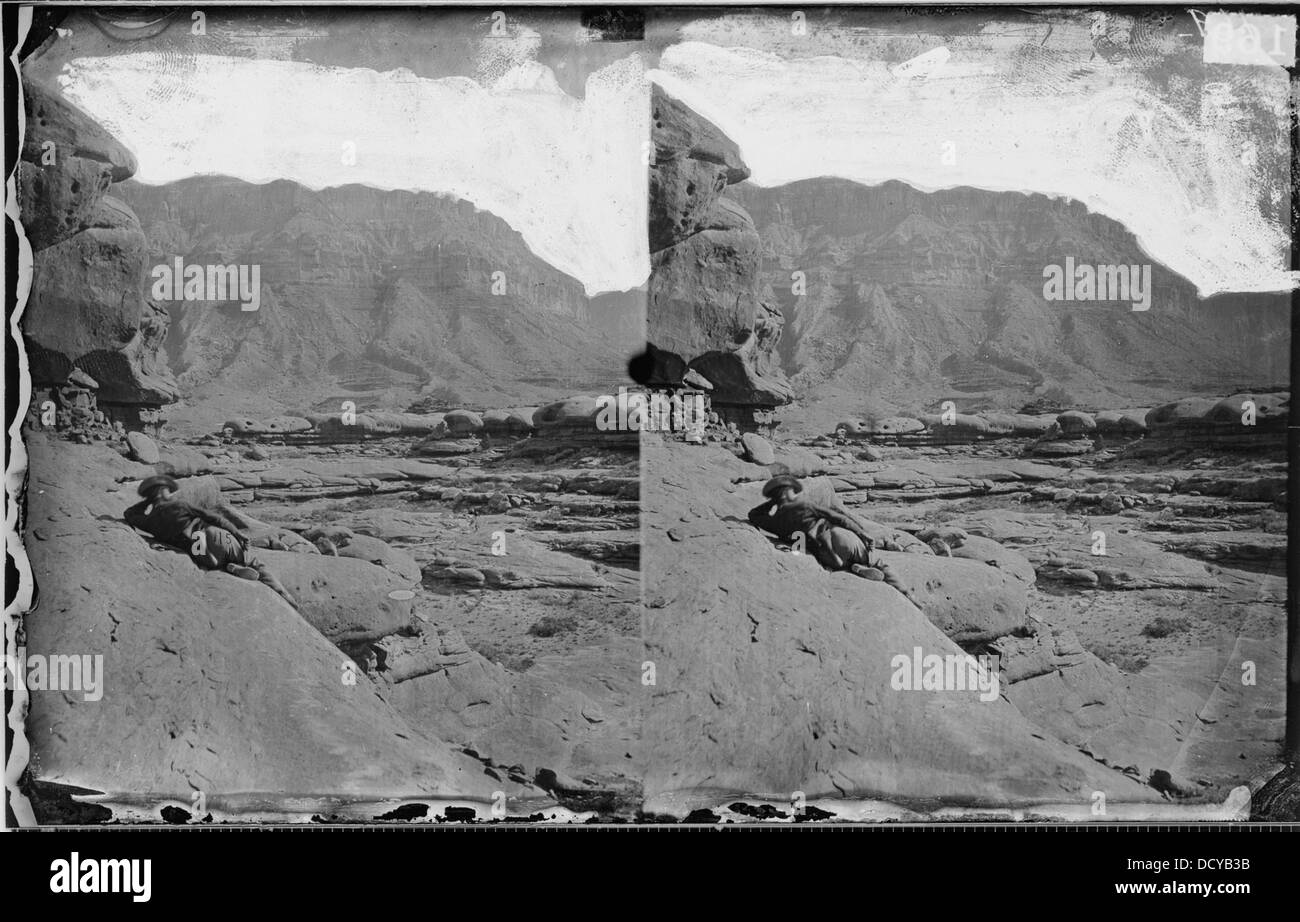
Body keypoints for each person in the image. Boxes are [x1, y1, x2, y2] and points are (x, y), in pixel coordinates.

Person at [125, 474, 296, 607]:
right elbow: (215, 518)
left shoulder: (150, 522)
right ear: (165, 491)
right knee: (254, 561)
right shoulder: (180, 505)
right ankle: (285, 596)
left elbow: (129, 514)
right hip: (214, 536)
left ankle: (229, 567)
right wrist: (238, 534)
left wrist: (148, 502)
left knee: (207, 561)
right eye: (168, 489)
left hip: (199, 551)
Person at [748, 474, 917, 604]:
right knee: (877, 561)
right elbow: (839, 518)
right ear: (788, 491)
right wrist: (862, 532)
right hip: (839, 539)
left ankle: (854, 568)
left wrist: (773, 503)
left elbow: (753, 515)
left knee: (836, 561)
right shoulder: (805, 505)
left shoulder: (774, 522)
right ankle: (906, 593)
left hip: (826, 556)